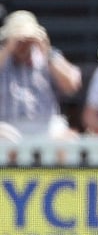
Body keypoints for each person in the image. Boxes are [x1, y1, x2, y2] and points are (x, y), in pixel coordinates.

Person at [0, 10, 81, 142]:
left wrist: (47, 52)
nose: (23, 45)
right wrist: (9, 48)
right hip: (8, 125)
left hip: (47, 124)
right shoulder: (3, 56)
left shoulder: (50, 56)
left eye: (28, 40)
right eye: (19, 40)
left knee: (68, 140)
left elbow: (71, 86)